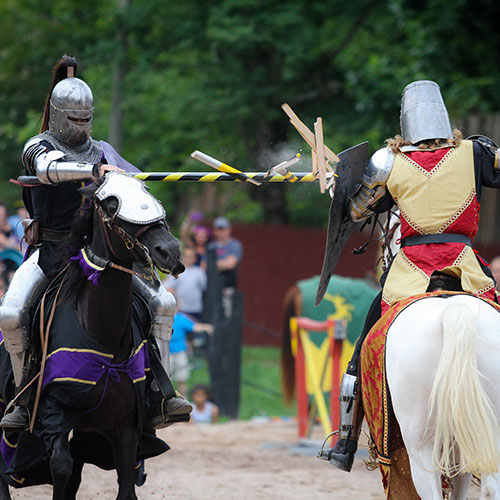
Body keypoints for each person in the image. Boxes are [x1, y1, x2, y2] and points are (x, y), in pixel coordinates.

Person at [0, 55, 191, 429]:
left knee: (162, 302)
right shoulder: (37, 145)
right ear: (57, 116)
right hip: (49, 255)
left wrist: (132, 177)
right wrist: (93, 170)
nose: (81, 127)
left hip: (95, 256)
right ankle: (22, 397)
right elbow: (46, 169)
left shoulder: (102, 150)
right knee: (9, 314)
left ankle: (161, 393)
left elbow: (134, 183)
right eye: (74, 119)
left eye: (86, 119)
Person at [319, 80, 500, 471]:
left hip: (412, 269)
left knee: (365, 345)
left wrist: (343, 187)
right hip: (464, 265)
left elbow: (355, 213)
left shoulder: (388, 162)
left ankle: (346, 440)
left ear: (404, 122)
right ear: (444, 116)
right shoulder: (476, 152)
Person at [169, 312, 214, 396]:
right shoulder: (161, 318)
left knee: (182, 379)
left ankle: (184, 402)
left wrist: (206, 327)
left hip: (180, 353)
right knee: (166, 381)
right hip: (165, 353)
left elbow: (194, 327)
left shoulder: (181, 319)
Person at [207, 217, 243, 317]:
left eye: (222, 229)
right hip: (212, 287)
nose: (220, 232)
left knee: (228, 315)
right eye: (218, 229)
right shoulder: (211, 246)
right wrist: (223, 263)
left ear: (229, 230)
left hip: (228, 286)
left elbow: (231, 264)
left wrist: (214, 264)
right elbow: (204, 266)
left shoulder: (234, 245)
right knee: (212, 314)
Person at [164, 246, 207, 320]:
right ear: (182, 257)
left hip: (195, 308)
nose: (188, 259)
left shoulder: (199, 272)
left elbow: (204, 287)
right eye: (186, 256)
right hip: (180, 309)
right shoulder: (176, 270)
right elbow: (167, 286)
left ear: (195, 259)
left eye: (191, 257)